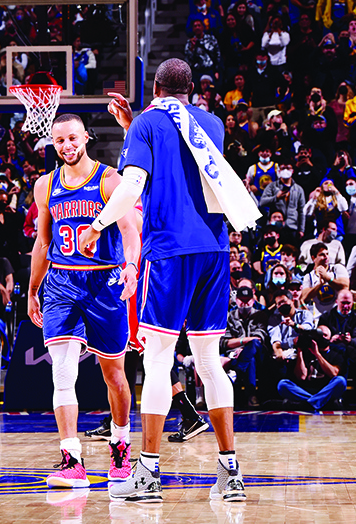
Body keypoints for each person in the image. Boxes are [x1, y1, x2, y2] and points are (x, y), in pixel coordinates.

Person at [80, 59, 248, 502]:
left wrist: (97, 225)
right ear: (191, 89)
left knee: (157, 361)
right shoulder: (212, 122)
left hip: (170, 251)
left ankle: (149, 475)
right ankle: (230, 473)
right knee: (209, 362)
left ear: (154, 86)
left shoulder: (147, 125)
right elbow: (183, 150)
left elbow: (134, 183)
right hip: (213, 249)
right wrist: (138, 124)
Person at [27, 113, 141, 488]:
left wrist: (131, 266)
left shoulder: (110, 180)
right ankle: (71, 459)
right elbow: (42, 242)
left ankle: (121, 446)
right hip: (61, 282)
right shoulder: (45, 185)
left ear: (86, 138)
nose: (67, 147)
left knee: (114, 374)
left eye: (72, 139)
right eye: (59, 141)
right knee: (62, 371)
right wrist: (32, 289)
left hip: (104, 281)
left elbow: (129, 230)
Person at [277, 325, 347, 411]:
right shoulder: (306, 353)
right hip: (304, 390)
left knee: (341, 381)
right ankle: (317, 402)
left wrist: (317, 354)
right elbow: (301, 376)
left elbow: (333, 374)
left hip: (325, 390)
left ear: (330, 339)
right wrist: (300, 350)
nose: (321, 338)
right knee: (282, 384)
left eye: (324, 335)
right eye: (319, 335)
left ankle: (307, 403)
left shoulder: (336, 355)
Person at [301, 242, 350, 316]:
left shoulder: (337, 268)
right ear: (314, 258)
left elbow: (345, 286)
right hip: (319, 317)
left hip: (337, 315)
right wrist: (320, 285)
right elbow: (304, 297)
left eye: (327, 254)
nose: (326, 257)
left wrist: (327, 278)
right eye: (322, 255)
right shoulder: (309, 276)